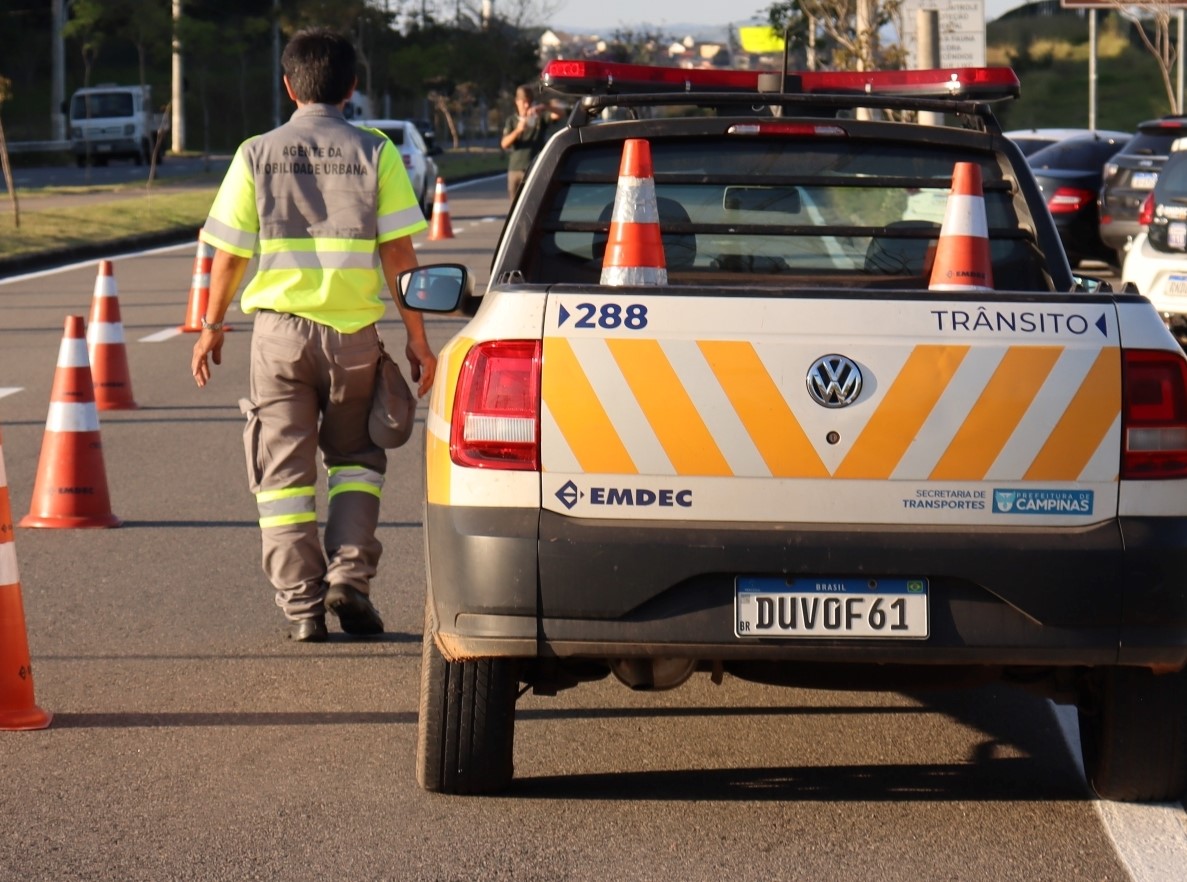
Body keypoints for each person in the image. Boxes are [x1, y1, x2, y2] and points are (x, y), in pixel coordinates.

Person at [190, 27, 435, 643]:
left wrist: (211, 327)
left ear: (287, 85)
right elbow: (399, 256)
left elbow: (227, 257)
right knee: (356, 462)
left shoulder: (255, 153)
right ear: (353, 87)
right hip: (353, 337)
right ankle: (349, 579)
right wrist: (418, 340)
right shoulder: (376, 152)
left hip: (277, 340)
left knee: (282, 480)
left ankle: (302, 607)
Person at [500, 84, 557, 201]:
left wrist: (546, 107)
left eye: (529, 102)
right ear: (517, 102)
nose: (527, 105)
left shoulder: (539, 117)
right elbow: (504, 144)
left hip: (535, 167)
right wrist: (518, 130)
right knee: (515, 205)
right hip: (515, 168)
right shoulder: (512, 121)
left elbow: (558, 115)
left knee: (535, 202)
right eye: (524, 102)